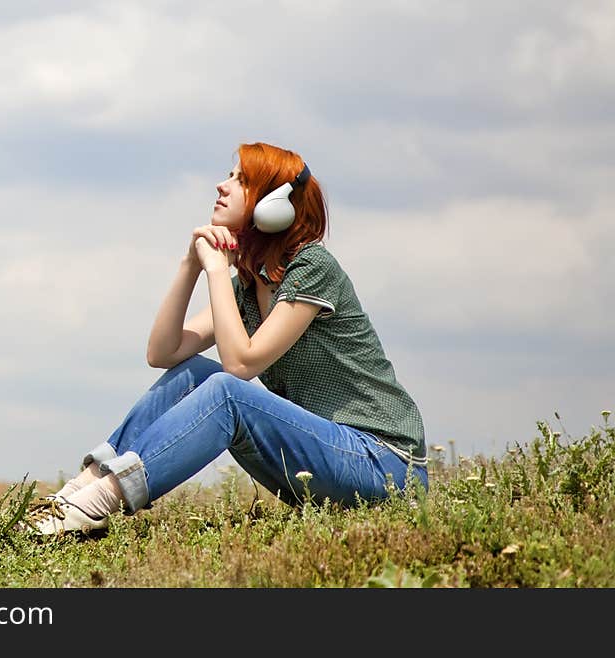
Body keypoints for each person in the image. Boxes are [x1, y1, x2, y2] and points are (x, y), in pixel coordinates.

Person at [27, 141, 428, 535]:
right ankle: (75, 495)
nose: (222, 185)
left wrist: (218, 271)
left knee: (227, 391)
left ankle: (94, 507)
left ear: (276, 204)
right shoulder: (247, 287)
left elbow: (241, 365)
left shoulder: (312, 266)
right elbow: (163, 352)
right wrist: (191, 265)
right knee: (195, 373)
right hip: (320, 463)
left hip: (385, 466)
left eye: (240, 180)